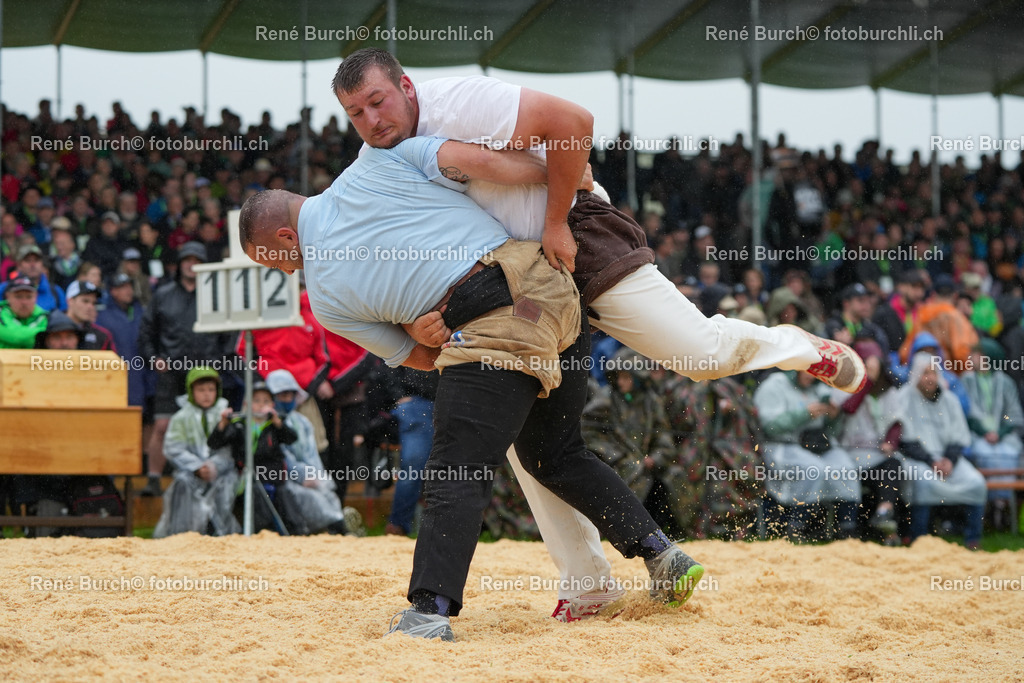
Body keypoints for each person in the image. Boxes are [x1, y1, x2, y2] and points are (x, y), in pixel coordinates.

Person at [331, 48, 865, 621]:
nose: (372, 121)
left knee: (700, 354)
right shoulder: (377, 158)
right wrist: (411, 321)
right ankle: (588, 582)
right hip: (510, 286)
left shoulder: (459, 100)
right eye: (356, 113)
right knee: (525, 442)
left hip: (576, 236)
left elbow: (574, 123)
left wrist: (556, 218)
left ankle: (803, 348)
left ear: (406, 87)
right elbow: (384, 240)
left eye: (377, 102)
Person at [239, 133, 704, 641]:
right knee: (555, 454)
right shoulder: (375, 162)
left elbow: (422, 355)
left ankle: (429, 611)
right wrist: (563, 174)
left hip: (490, 319)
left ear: (286, 238)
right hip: (553, 285)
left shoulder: (325, 294)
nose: (286, 271)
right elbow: (485, 162)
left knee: (456, 466)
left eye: (275, 262)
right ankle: (662, 554)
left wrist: (422, 328)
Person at [139, 241, 237, 496]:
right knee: (162, 426)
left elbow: (230, 333)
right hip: (171, 370)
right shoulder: (163, 294)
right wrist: (154, 359)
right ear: (180, 264)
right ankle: (153, 479)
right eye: (187, 259)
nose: (192, 264)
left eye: (197, 260)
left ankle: (205, 474)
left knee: (209, 426)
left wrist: (219, 361)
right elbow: (147, 332)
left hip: (206, 372)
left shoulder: (217, 296)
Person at [885, 353, 987, 549]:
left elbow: (959, 435)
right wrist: (931, 461)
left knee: (976, 482)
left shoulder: (950, 400)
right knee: (923, 483)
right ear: (915, 374)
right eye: (924, 373)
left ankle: (973, 539)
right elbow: (905, 438)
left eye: (933, 373)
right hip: (917, 459)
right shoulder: (904, 397)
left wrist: (949, 460)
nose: (930, 378)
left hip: (948, 459)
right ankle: (918, 538)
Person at [753, 369, 862, 541]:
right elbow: (769, 427)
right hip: (781, 445)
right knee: (814, 470)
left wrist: (833, 417)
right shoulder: (774, 385)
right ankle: (796, 527)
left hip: (816, 445)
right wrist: (804, 414)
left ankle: (846, 531)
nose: (812, 376)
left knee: (846, 468)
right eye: (807, 370)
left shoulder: (820, 387)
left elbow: (832, 430)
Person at [152, 366, 240, 538]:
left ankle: (221, 534)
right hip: (190, 472)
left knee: (227, 484)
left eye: (211, 389)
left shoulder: (226, 416)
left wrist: (214, 466)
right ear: (191, 391)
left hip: (221, 472)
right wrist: (197, 467)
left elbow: (230, 450)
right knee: (183, 484)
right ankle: (182, 534)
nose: (206, 394)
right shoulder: (181, 418)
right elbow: (173, 448)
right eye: (201, 390)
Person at [961, 339, 1024, 530]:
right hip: (977, 435)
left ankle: (1003, 506)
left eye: (977, 354)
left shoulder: (1005, 382)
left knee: (1008, 454)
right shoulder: (966, 379)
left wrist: (1000, 432)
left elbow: (1013, 414)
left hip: (1003, 436)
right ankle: (989, 508)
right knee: (985, 453)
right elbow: (966, 412)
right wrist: (984, 432)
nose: (972, 358)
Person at [0, 244, 66, 312]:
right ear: (19, 265)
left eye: (36, 260)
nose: (32, 264)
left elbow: (63, 319)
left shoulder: (56, 291)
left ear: (42, 264)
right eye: (27, 260)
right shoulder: (3, 290)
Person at [64, 280, 115, 352]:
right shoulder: (50, 328)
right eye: (85, 301)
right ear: (70, 301)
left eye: (94, 303)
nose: (90, 307)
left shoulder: (102, 336)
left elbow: (112, 362)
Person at [0, 274, 48, 349]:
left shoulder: (44, 315)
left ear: (36, 297)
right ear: (8, 296)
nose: (24, 302)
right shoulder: (1, 311)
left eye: (29, 297)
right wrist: (43, 334)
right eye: (18, 296)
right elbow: (16, 336)